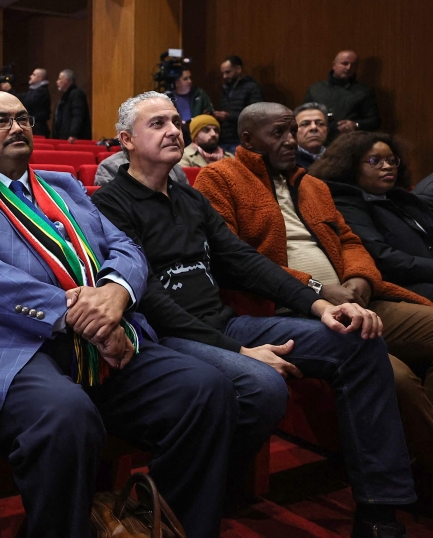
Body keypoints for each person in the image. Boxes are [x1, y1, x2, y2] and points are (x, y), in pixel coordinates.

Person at [0, 90, 237, 538]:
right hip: (10, 345)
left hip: (103, 335)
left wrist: (115, 296)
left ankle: (159, 524)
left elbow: (126, 248)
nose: (17, 126)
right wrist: (75, 312)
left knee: (205, 389)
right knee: (66, 416)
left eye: (23, 118)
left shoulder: (62, 184)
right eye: (1, 120)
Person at [93, 92, 416, 537]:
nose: (173, 130)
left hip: (223, 324)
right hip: (168, 337)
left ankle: (381, 512)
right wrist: (240, 351)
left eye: (175, 121)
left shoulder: (190, 200)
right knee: (261, 386)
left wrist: (320, 304)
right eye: (158, 124)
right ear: (126, 140)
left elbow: (245, 262)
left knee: (356, 341)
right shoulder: (110, 204)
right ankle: (183, 502)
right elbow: (146, 297)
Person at [195, 102, 433, 509]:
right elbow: (233, 262)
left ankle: (419, 460)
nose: (291, 140)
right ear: (248, 139)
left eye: (293, 132)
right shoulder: (219, 179)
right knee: (399, 379)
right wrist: (320, 289)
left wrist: (358, 278)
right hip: (287, 310)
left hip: (360, 298)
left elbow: (350, 242)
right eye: (279, 133)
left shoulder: (313, 185)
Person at [311, 132, 433, 302]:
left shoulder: (400, 197)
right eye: (375, 161)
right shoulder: (345, 204)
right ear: (350, 166)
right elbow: (383, 258)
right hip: (397, 286)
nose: (387, 166)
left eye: (392, 160)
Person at [304, 50, 380, 140]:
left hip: (349, 143)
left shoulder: (364, 91)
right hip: (318, 142)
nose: (348, 68)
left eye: (353, 65)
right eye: (345, 63)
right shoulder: (315, 89)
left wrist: (356, 125)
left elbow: (375, 122)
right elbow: (302, 117)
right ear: (334, 65)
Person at [214, 55, 262, 153]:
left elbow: (256, 115)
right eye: (223, 73)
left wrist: (229, 116)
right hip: (224, 139)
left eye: (228, 72)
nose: (224, 76)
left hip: (241, 139)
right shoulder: (225, 89)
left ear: (238, 69)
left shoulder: (252, 88)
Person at [94, 146, 188, 187]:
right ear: (128, 138)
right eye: (157, 124)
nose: (174, 131)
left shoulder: (175, 168)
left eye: (176, 124)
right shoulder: (110, 167)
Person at [52, 69, 90, 142]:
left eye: (60, 79)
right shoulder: (65, 96)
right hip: (63, 136)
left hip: (72, 138)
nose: (57, 82)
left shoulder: (76, 94)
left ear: (67, 80)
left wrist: (73, 134)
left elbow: (78, 115)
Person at [15, 68, 51, 138]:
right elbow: (23, 97)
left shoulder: (42, 91)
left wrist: (10, 90)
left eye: (33, 75)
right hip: (35, 125)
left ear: (40, 78)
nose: (30, 76)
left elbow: (27, 102)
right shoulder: (35, 90)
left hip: (38, 128)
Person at [293, 102, 329, 170]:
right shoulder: (289, 161)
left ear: (327, 130)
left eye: (320, 124)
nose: (314, 127)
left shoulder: (336, 158)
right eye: (305, 124)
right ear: (294, 131)